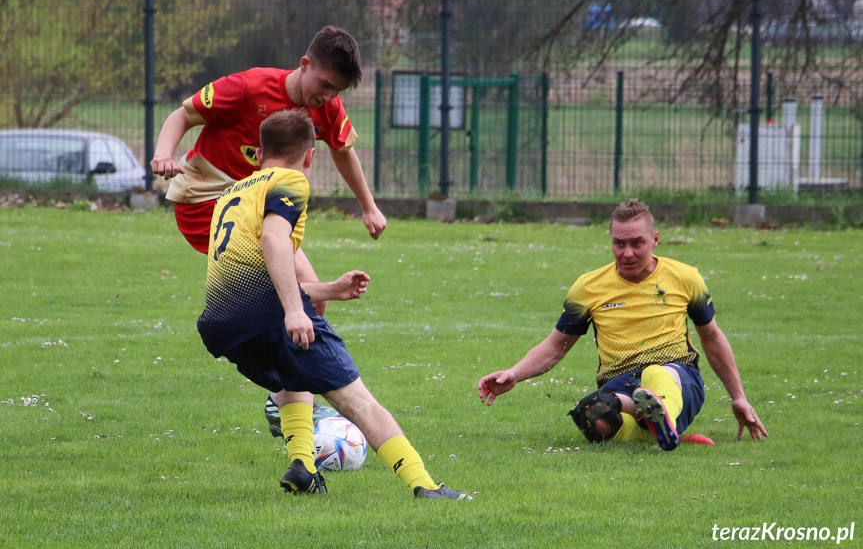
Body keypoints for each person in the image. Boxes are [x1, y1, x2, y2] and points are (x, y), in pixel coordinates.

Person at [198, 109, 472, 500]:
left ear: (259, 153)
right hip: (267, 316)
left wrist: (330, 289)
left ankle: (303, 468)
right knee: (360, 402)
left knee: (295, 372)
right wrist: (295, 311)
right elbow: (274, 242)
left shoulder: (235, 192)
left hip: (222, 324)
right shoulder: (290, 180)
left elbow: (261, 270)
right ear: (310, 156)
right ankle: (425, 485)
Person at [151, 26, 386, 425]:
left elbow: (343, 151)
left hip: (257, 204)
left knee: (313, 299)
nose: (327, 97)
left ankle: (286, 397)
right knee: (292, 292)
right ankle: (289, 398)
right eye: (325, 84)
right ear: (304, 64)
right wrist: (162, 154)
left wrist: (369, 206)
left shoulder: (326, 107)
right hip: (207, 199)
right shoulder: (248, 87)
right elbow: (184, 114)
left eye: (336, 91)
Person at [477, 198, 768, 451]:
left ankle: (662, 411)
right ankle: (659, 431)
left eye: (637, 243)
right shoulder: (589, 286)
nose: (627, 253)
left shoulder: (685, 277)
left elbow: (712, 338)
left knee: (657, 372)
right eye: (619, 244)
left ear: (654, 240)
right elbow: (555, 346)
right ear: (611, 242)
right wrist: (514, 373)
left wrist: (738, 397)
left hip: (679, 377)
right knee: (590, 414)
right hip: (621, 385)